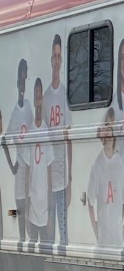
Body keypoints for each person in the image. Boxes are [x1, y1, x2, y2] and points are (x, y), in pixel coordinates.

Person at [87, 107, 124, 252]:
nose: (109, 132)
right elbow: (90, 201)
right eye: (107, 126)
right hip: (102, 242)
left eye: (112, 127)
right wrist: (96, 231)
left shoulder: (120, 164)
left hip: (117, 241)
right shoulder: (97, 165)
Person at [45, 35, 72, 249]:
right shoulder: (45, 98)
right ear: (50, 60)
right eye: (53, 56)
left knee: (64, 234)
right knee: (50, 232)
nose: (56, 60)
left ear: (62, 61)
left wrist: (70, 178)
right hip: (48, 177)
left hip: (62, 177)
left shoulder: (66, 94)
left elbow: (69, 139)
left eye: (59, 56)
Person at [2, 59, 33, 243]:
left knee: (31, 219)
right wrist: (12, 166)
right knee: (20, 215)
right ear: (16, 83)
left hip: (32, 172)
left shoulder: (29, 106)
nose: (22, 85)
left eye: (24, 80)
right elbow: (4, 140)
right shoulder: (15, 113)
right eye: (20, 82)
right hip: (21, 172)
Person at [27, 78, 53, 245]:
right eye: (35, 95)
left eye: (40, 95)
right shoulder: (29, 130)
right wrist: (24, 212)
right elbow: (27, 172)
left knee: (45, 249)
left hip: (44, 208)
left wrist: (50, 212)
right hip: (33, 207)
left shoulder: (46, 130)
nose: (38, 100)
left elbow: (50, 173)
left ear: (42, 99)